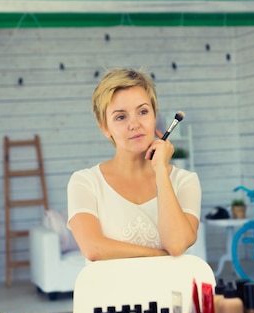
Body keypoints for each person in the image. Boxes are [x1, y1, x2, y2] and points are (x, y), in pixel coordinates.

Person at [67, 68, 201, 262]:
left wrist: (161, 172)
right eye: (121, 117)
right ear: (104, 127)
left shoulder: (185, 182)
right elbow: (93, 248)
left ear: (155, 115)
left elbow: (177, 244)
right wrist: (160, 256)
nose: (135, 124)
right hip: (109, 292)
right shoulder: (85, 182)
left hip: (169, 292)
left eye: (143, 111)